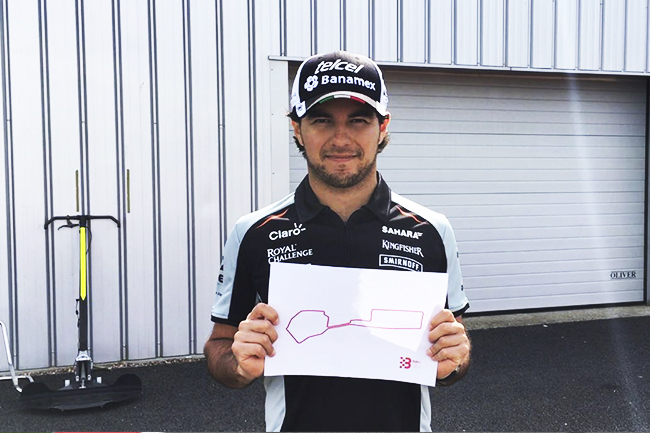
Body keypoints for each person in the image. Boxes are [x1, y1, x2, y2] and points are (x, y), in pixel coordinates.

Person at [204, 50, 471, 432]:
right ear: (297, 128)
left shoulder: (431, 230)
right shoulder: (253, 232)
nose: (341, 138)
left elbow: (453, 348)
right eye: (322, 120)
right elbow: (220, 344)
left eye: (358, 120)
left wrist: (455, 359)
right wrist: (238, 364)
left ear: (382, 127)